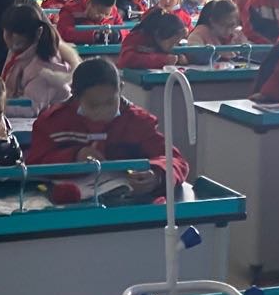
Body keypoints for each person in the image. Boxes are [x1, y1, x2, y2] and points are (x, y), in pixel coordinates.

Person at [26, 58, 187, 194]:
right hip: (67, 203)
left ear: (121, 89)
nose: (103, 111)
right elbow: (33, 165)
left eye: (110, 102)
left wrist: (157, 175)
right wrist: (74, 156)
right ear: (75, 96)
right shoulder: (53, 123)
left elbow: (175, 160)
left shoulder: (137, 122)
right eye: (93, 105)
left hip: (127, 203)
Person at [1, 4, 79, 116]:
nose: (9, 37)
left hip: (55, 120)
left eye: (17, 32)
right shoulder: (18, 51)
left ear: (37, 32)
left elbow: (31, 108)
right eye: (7, 31)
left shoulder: (45, 69)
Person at [120, 10, 190, 70]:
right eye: (172, 42)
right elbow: (127, 59)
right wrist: (163, 60)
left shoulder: (162, 43)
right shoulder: (138, 37)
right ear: (159, 34)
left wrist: (180, 58)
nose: (174, 46)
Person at [56, 0, 123, 46]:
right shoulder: (70, 9)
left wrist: (117, 34)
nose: (102, 17)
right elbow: (64, 32)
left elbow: (123, 29)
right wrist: (95, 35)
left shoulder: (113, 10)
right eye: (99, 12)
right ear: (90, 4)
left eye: (107, 14)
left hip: (108, 52)